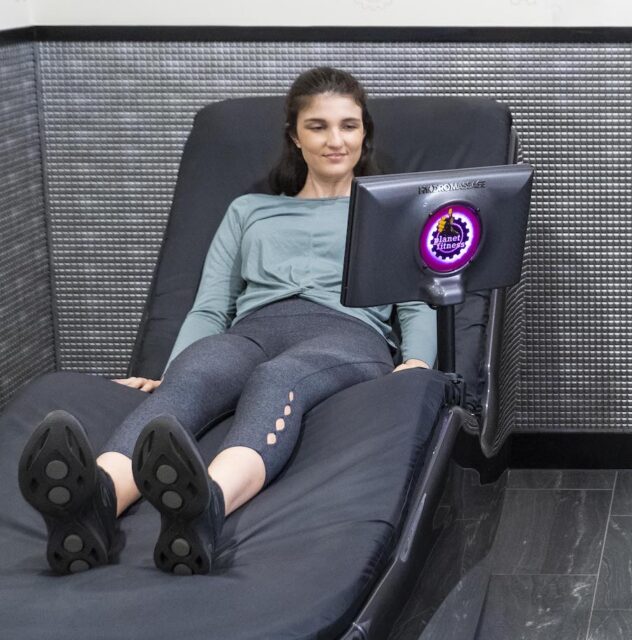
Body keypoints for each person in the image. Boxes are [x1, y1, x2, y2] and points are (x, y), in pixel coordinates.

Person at [17, 66, 437, 577]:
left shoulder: (392, 212)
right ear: (294, 136)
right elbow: (212, 305)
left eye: (348, 125)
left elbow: (416, 303)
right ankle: (94, 504)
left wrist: (417, 363)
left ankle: (205, 508)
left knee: (279, 378)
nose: (335, 140)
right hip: (253, 331)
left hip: (346, 335)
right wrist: (171, 370)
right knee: (193, 379)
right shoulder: (249, 211)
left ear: (364, 132)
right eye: (318, 126)